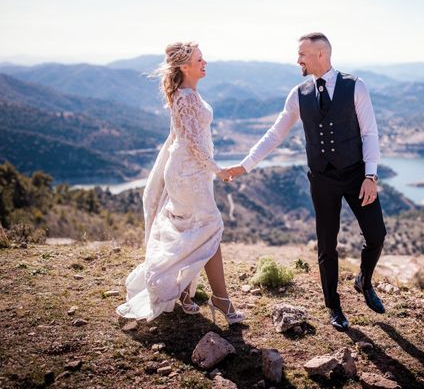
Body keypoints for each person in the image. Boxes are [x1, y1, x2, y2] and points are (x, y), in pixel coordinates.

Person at [227, 32, 386, 331]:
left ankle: (364, 280)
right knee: (327, 245)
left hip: (356, 175)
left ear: (321, 55)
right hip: (322, 179)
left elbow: (369, 133)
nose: (297, 59)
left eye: (302, 54)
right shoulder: (298, 93)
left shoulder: (356, 86)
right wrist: (245, 165)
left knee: (376, 234)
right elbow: (275, 134)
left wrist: (370, 175)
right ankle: (334, 307)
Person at [116, 41, 244, 325]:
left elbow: (185, 138)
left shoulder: (189, 94)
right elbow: (191, 143)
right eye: (199, 59)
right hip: (188, 175)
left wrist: (208, 170)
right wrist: (218, 169)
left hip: (194, 174)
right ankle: (220, 299)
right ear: (185, 66)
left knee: (194, 230)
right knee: (210, 228)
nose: (205, 62)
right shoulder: (185, 98)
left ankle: (186, 293)